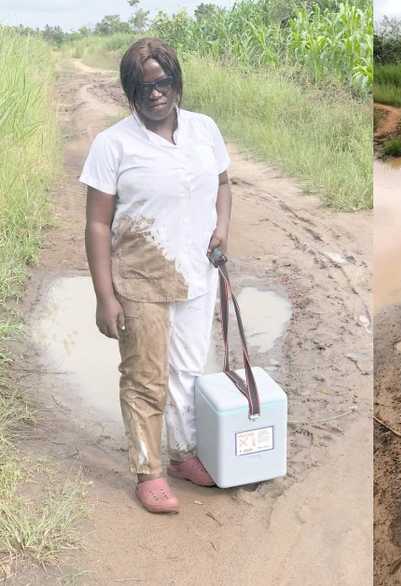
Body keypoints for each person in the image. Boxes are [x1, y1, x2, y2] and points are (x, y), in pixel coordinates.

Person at [81, 38, 232, 514]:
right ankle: (149, 471)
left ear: (176, 81)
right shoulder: (113, 144)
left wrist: (222, 227)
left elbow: (223, 184)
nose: (155, 93)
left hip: (197, 274)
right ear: (130, 91)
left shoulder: (204, 129)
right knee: (146, 376)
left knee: (188, 371)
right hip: (139, 277)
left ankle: (184, 455)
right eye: (143, 86)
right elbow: (97, 223)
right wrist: (105, 296)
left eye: (163, 82)